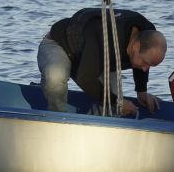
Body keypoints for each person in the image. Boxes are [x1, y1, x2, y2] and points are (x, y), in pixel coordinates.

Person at [37, 8, 165, 116]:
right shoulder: (104, 38)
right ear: (135, 46)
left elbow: (144, 57)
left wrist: (141, 91)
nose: (144, 69)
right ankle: (57, 120)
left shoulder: (148, 32)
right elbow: (86, 79)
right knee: (55, 77)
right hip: (60, 46)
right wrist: (116, 101)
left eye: (150, 66)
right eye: (145, 63)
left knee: (114, 109)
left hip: (96, 59)